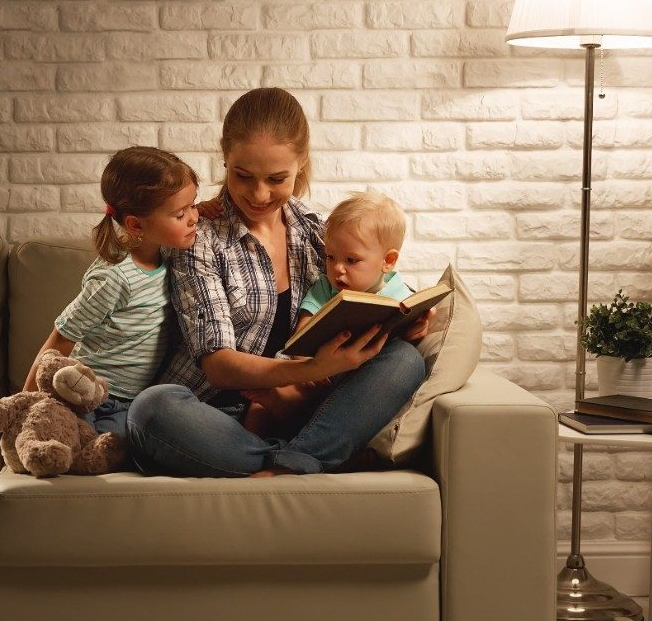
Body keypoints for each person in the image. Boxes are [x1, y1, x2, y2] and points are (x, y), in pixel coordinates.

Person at [125, 88, 428, 477]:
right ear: (225, 160)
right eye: (243, 176)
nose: (259, 194)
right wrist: (313, 370)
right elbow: (218, 367)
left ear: (301, 165)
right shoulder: (197, 238)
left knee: (404, 361)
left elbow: (363, 286)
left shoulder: (313, 230)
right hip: (214, 416)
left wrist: (406, 321)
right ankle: (308, 460)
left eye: (277, 178)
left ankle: (292, 458)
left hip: (304, 411)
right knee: (151, 410)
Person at [22, 146, 200, 442]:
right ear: (135, 224)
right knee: (103, 443)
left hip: (133, 401)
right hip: (94, 396)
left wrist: (209, 207)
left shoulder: (168, 251)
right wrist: (26, 403)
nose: (194, 218)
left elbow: (183, 211)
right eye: (182, 213)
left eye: (195, 205)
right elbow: (61, 337)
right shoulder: (114, 277)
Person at [240, 190, 412, 437]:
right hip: (313, 370)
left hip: (356, 377)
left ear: (388, 261)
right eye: (331, 257)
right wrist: (306, 364)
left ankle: (289, 413)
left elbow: (410, 328)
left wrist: (420, 323)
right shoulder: (325, 287)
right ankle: (253, 452)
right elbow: (304, 331)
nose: (337, 269)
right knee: (267, 396)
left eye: (351, 260)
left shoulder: (398, 293)